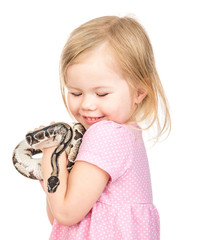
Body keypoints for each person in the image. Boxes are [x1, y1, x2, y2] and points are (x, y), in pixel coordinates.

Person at [38, 16, 171, 239]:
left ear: (139, 91)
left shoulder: (107, 134)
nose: (87, 105)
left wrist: (52, 156)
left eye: (101, 94)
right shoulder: (128, 133)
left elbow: (66, 213)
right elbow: (59, 219)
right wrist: (57, 174)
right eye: (76, 93)